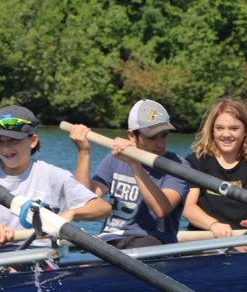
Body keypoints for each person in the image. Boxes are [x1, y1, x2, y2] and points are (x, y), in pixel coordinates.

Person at [0, 105, 110, 254]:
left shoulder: (53, 175)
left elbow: (102, 208)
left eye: (13, 140)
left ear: (33, 141)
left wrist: (71, 213)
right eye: (0, 141)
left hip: (37, 258)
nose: (6, 148)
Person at [69, 100, 189, 249]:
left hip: (153, 241)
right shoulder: (114, 159)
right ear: (132, 135)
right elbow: (83, 199)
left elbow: (161, 209)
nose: (160, 143)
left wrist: (134, 164)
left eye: (164, 135)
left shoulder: (177, 165)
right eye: (152, 137)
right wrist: (83, 152)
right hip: (109, 238)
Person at [182, 98, 247, 238]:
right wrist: (214, 225)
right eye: (219, 128)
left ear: (246, 132)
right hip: (202, 242)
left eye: (234, 129)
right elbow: (187, 207)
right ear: (212, 131)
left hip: (241, 244)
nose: (226, 135)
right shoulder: (196, 162)